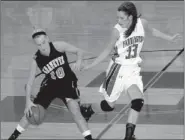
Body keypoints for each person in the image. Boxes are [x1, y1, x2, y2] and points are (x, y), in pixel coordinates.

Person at [80, 1, 182, 140]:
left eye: (122, 18)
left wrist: (169, 38)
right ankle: (88, 110)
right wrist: (90, 65)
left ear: (131, 17)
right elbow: (106, 51)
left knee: (138, 101)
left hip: (133, 70)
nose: (118, 21)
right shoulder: (117, 31)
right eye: (118, 17)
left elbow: (153, 31)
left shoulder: (142, 23)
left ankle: (128, 137)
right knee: (109, 106)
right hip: (117, 70)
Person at [8, 29, 94, 140]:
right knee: (32, 110)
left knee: (75, 111)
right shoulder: (36, 59)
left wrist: (79, 61)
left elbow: (79, 51)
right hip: (50, 86)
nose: (42, 47)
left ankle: (88, 138)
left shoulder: (59, 46)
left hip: (67, 83)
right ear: (36, 45)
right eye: (39, 45)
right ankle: (13, 136)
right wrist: (28, 102)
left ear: (47, 39)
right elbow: (29, 83)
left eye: (43, 42)